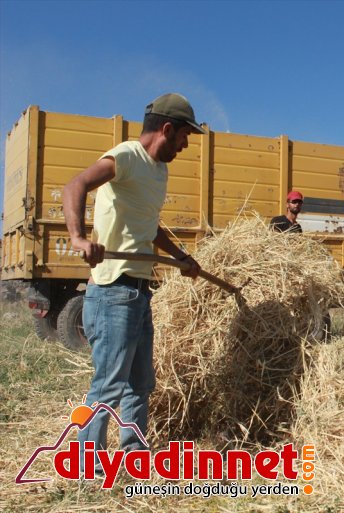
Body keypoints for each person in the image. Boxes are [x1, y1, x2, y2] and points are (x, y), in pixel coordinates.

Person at [62, 93, 204, 467]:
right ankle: (87, 464)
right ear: (167, 129)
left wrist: (180, 257)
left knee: (140, 384)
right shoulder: (125, 156)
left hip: (139, 290)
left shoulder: (159, 170)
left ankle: (133, 454)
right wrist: (79, 238)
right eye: (184, 136)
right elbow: (75, 186)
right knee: (109, 384)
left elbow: (148, 226)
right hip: (112, 290)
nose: (185, 145)